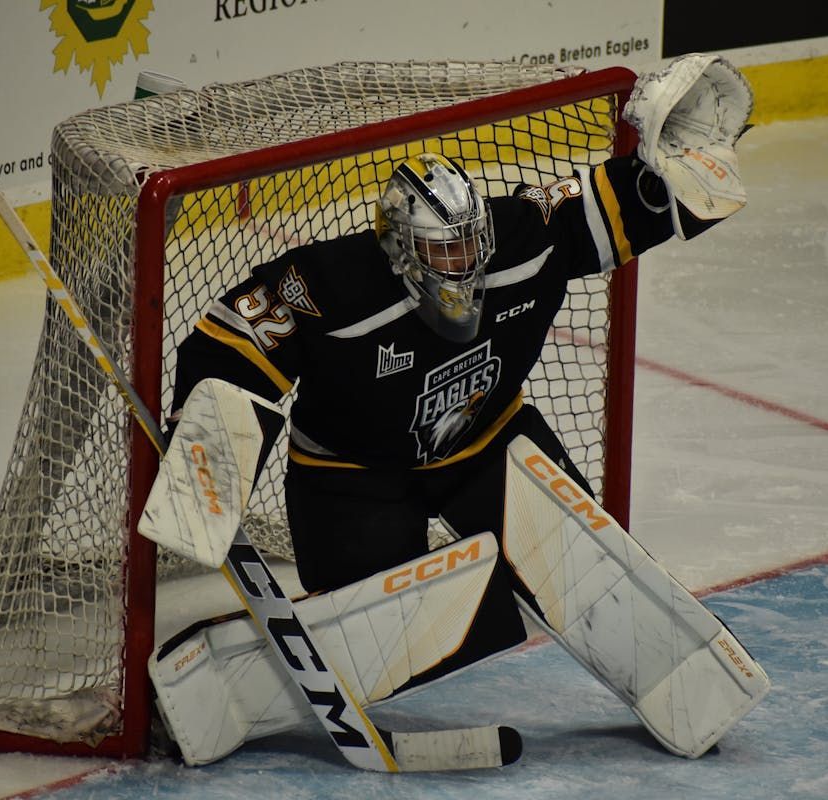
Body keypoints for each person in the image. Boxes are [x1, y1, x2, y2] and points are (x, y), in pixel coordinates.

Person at [169, 53, 753, 681]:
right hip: (352, 476)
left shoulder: (523, 239)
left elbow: (628, 203)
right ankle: (242, 669)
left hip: (487, 444)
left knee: (583, 573)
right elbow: (230, 344)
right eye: (443, 251)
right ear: (398, 248)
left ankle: (667, 669)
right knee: (408, 637)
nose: (463, 265)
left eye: (469, 244)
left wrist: (673, 163)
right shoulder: (332, 284)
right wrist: (211, 454)